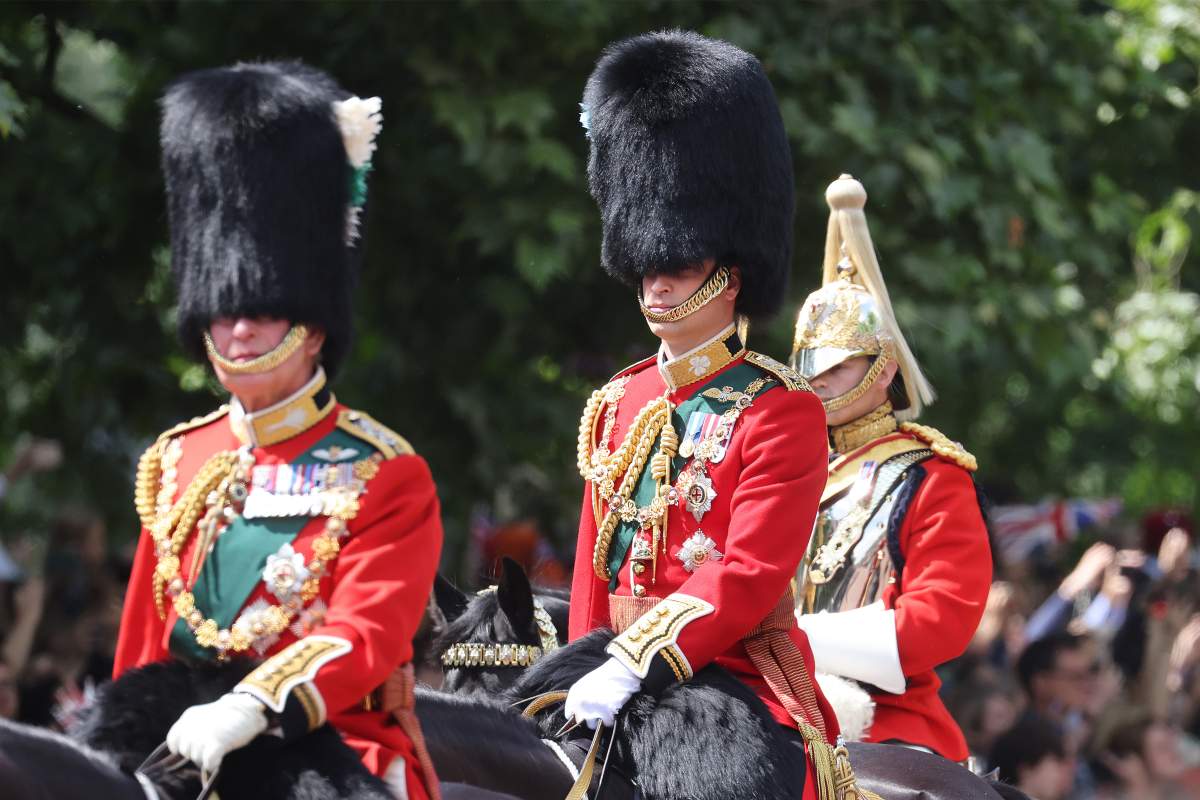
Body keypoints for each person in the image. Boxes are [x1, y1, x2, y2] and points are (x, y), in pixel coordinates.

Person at [112, 62, 442, 800]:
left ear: (312, 324)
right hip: (171, 743)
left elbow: (365, 635)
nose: (236, 328)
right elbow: (141, 647)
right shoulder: (177, 459)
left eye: (259, 308)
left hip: (323, 743)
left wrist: (251, 704)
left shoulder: (384, 472)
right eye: (223, 310)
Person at [565, 30, 845, 800]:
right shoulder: (619, 400)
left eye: (678, 264)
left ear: (729, 272)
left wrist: (638, 658)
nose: (656, 285)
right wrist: (588, 663)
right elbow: (595, 564)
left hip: (731, 673)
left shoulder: (780, 408)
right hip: (611, 672)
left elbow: (749, 574)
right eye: (647, 266)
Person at [790, 175, 991, 762]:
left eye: (837, 367)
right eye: (810, 366)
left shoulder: (931, 478)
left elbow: (941, 620)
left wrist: (799, 638)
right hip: (768, 699)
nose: (817, 380)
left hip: (884, 720)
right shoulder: (785, 469)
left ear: (881, 370)